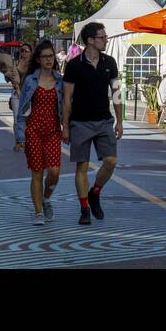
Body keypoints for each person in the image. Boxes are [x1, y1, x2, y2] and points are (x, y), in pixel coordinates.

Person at [61, 23, 123, 226]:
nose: (106, 40)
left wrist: (120, 121)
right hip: (80, 122)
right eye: (102, 37)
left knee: (111, 161)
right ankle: (84, 208)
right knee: (82, 166)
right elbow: (67, 98)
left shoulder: (110, 62)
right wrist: (66, 126)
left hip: (104, 120)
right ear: (90, 40)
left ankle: (95, 192)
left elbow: (116, 92)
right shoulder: (74, 65)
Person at [14, 41, 63, 225]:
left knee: (54, 173)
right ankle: (38, 212)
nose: (49, 60)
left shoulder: (60, 80)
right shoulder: (30, 80)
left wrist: (67, 128)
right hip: (33, 130)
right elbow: (22, 111)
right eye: (45, 57)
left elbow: (66, 107)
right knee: (37, 173)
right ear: (38, 59)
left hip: (53, 131)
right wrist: (20, 136)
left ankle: (46, 198)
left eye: (51, 56)